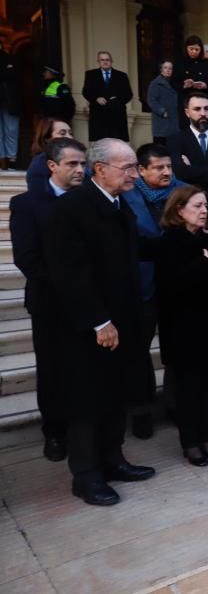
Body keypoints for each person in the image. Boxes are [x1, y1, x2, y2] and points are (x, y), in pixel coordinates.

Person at [43, 138, 156, 506]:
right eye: (128, 168)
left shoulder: (119, 205)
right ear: (100, 169)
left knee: (114, 396)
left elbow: (134, 251)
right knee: (87, 403)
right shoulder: (72, 209)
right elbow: (69, 274)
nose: (134, 175)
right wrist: (99, 321)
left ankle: (113, 460)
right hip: (88, 328)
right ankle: (87, 476)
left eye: (135, 167)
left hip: (122, 320)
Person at [10, 137, 87, 461]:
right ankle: (54, 432)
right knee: (53, 369)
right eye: (72, 164)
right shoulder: (27, 204)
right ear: (52, 166)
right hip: (50, 303)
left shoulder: (89, 200)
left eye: (83, 164)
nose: (80, 170)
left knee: (83, 370)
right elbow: (27, 258)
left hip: (89, 304)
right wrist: (68, 287)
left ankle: (84, 429)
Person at [156, 186, 208, 466]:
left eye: (205, 207)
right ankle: (190, 443)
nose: (204, 211)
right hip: (183, 331)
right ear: (179, 210)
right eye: (197, 206)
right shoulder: (170, 242)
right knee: (188, 391)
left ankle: (205, 437)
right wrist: (204, 266)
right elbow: (171, 287)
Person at [121, 143, 186, 439]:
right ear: (141, 169)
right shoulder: (125, 195)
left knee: (177, 349)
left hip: (177, 284)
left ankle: (174, 404)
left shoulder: (184, 192)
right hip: (142, 286)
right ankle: (141, 410)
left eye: (169, 167)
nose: (166, 172)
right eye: (159, 167)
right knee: (137, 351)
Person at [167, 92, 208, 190]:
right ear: (187, 112)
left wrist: (192, 169)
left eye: (207, 108)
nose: (203, 113)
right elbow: (180, 173)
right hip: (190, 195)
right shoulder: (176, 139)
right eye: (197, 109)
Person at [82, 51, 133, 142]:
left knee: (116, 145)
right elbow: (86, 91)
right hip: (98, 115)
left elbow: (128, 94)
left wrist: (117, 100)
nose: (105, 62)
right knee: (100, 145)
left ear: (111, 61)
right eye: (102, 60)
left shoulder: (122, 75)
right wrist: (96, 99)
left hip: (117, 115)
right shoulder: (90, 74)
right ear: (98, 61)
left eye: (107, 60)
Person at [172, 35, 208, 129]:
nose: (194, 52)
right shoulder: (179, 63)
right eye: (191, 49)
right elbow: (173, 82)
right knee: (185, 127)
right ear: (186, 48)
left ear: (201, 50)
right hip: (185, 99)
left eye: (196, 49)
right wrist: (184, 85)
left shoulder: (206, 64)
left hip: (202, 99)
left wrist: (205, 85)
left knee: (202, 126)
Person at [26, 118, 75, 193]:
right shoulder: (39, 164)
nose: (69, 137)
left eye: (70, 133)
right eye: (62, 133)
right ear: (47, 138)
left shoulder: (78, 158)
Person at [147, 60, 178, 146]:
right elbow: (151, 101)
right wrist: (162, 111)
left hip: (174, 123)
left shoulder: (174, 83)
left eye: (170, 68)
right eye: (165, 68)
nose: (168, 70)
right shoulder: (156, 83)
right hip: (162, 122)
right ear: (161, 69)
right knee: (161, 151)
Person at [0, 43, 20, 170]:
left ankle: (11, 160)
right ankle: (3, 161)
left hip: (10, 100)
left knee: (11, 130)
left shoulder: (11, 59)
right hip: (9, 99)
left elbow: (13, 76)